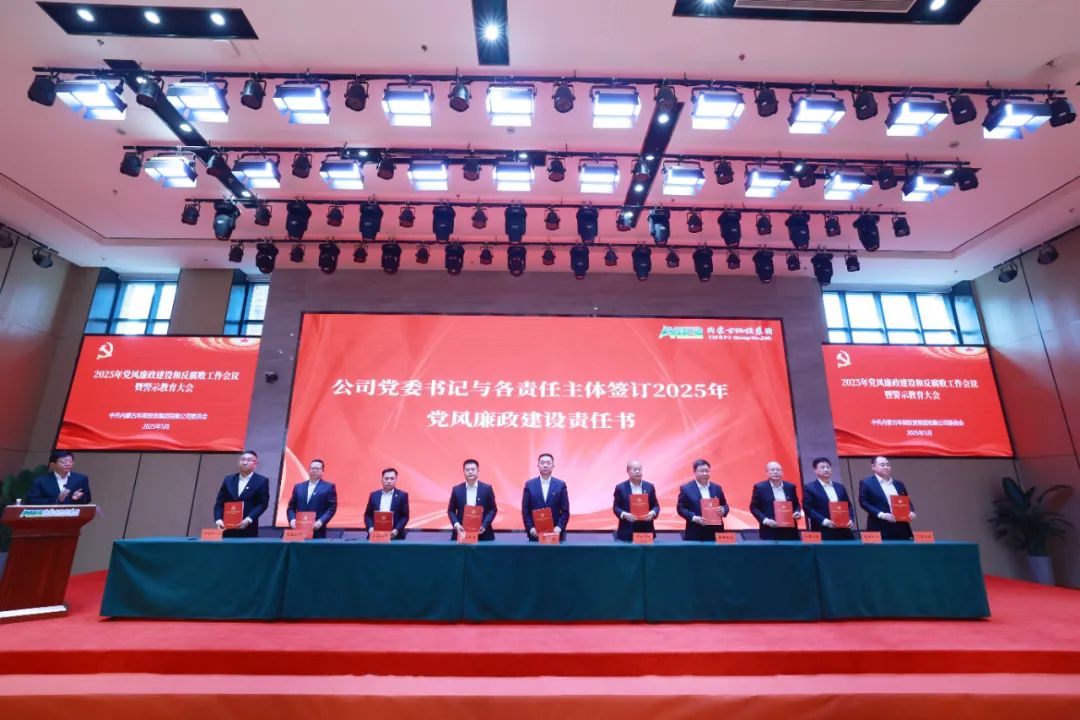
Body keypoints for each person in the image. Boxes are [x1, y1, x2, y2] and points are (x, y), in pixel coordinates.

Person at [213, 450, 270, 538]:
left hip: (248, 528)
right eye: (242, 459)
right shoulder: (228, 480)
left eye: (249, 460)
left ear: (255, 464)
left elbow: (262, 504)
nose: (245, 462)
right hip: (227, 528)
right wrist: (218, 520)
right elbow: (219, 503)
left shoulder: (261, 481)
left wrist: (249, 519)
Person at [858, 456, 917, 540]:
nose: (886, 467)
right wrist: (881, 515)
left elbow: (907, 502)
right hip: (880, 526)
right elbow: (863, 502)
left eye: (888, 465)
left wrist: (911, 511)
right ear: (873, 467)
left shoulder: (899, 484)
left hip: (901, 527)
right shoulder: (867, 483)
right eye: (882, 465)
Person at [802, 456, 855, 540]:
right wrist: (824, 521)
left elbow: (848, 505)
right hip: (823, 530)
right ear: (815, 470)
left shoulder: (840, 487)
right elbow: (807, 508)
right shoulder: (810, 488)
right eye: (822, 467)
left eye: (828, 467)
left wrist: (851, 519)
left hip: (844, 530)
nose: (826, 469)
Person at [521, 453, 570, 542]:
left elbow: (565, 510)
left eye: (548, 463)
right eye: (542, 463)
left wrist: (559, 527)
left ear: (553, 466)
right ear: (538, 465)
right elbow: (525, 510)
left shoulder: (561, 485)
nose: (545, 465)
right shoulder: (529, 485)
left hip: (556, 533)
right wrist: (530, 528)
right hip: (535, 533)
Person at [676, 458, 729, 541]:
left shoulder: (717, 488)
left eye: (707, 471)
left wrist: (723, 510)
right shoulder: (686, 489)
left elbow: (725, 505)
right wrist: (693, 517)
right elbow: (680, 508)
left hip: (716, 532)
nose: (705, 474)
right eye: (701, 471)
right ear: (694, 472)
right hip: (695, 532)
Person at [749, 461, 804, 541]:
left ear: (782, 472)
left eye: (778, 470)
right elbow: (754, 507)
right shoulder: (760, 488)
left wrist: (797, 512)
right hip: (770, 530)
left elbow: (796, 504)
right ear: (767, 473)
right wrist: (765, 520)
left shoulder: (790, 487)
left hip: (790, 531)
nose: (775, 472)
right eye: (772, 470)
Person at [285, 458, 337, 539]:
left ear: (322, 471)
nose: (314, 470)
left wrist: (321, 521)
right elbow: (291, 507)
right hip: (298, 530)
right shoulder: (298, 487)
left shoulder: (328, 487)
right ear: (308, 470)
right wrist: (292, 520)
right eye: (312, 468)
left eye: (317, 468)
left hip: (317, 530)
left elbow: (331, 508)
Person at [447, 458, 497, 541]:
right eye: (467, 470)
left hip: (483, 534)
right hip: (461, 533)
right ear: (463, 472)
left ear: (478, 471)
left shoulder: (487, 488)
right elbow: (450, 511)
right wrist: (456, 525)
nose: (470, 472)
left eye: (473, 469)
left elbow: (493, 509)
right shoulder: (456, 489)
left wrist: (484, 525)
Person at [612, 460, 660, 542]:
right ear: (628, 471)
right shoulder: (620, 488)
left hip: (646, 530)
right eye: (634, 469)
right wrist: (624, 515)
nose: (637, 471)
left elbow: (656, 506)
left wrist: (653, 513)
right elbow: (616, 507)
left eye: (639, 469)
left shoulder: (649, 487)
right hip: (627, 531)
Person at [25, 451, 92, 505]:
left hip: (72, 515)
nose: (68, 464)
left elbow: (87, 499)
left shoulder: (81, 479)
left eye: (70, 461)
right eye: (63, 462)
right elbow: (31, 501)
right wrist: (57, 499)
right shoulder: (40, 481)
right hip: (48, 516)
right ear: (53, 465)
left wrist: (78, 498)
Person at [364, 467, 410, 539]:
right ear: (382, 479)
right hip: (375, 535)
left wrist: (397, 529)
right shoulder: (374, 495)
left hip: (394, 535)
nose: (389, 481)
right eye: (386, 478)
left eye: (392, 478)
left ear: (396, 480)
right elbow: (368, 515)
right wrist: (370, 528)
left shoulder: (402, 495)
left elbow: (404, 516)